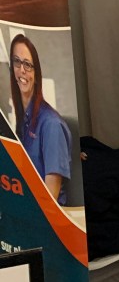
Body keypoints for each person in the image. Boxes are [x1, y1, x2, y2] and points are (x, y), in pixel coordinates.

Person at [9, 34, 72, 204]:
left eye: (28, 65)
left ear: (36, 75)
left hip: (43, 215)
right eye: (17, 62)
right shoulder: (22, 121)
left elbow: (49, 201)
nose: (22, 70)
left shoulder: (51, 124)